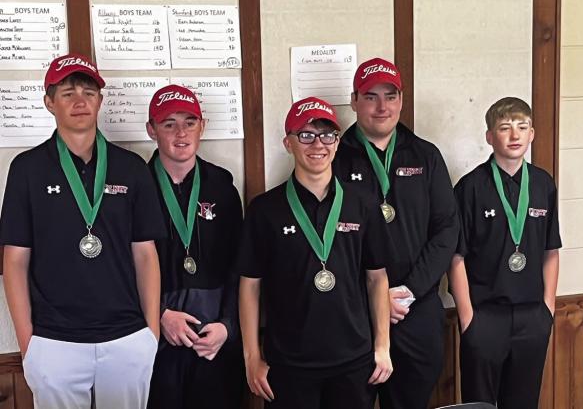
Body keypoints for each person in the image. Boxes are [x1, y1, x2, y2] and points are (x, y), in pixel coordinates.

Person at [0, 53, 166, 409]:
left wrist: (149, 334)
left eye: (89, 92)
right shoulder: (26, 169)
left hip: (127, 337)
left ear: (100, 101)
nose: (80, 101)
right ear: (49, 102)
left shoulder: (132, 168)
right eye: (67, 93)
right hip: (53, 341)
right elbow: (14, 261)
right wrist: (29, 343)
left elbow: (145, 254)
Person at [237, 96, 392, 409]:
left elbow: (377, 279)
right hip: (289, 365)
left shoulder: (363, 204)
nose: (317, 144)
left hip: (353, 361)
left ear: (336, 143)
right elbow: (249, 287)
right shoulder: (265, 210)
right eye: (305, 135)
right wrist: (252, 357)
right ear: (288, 143)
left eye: (327, 135)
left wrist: (383, 345)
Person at [332, 57, 460, 409]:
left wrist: (408, 291)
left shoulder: (427, 155)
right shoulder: (333, 159)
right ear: (354, 100)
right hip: (355, 313)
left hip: (416, 311)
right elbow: (328, 243)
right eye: (371, 96)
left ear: (401, 99)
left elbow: (447, 229)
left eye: (390, 95)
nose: (381, 106)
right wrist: (372, 297)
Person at [448, 97, 561, 409]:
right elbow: (456, 257)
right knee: (481, 404)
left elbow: (552, 250)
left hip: (532, 317)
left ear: (532, 134)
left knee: (524, 402)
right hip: (485, 316)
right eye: (505, 128)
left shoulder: (542, 183)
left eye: (522, 127)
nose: (514, 135)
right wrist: (468, 316)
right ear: (489, 137)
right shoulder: (469, 188)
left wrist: (547, 308)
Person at [145, 84, 244, 408]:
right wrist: (159, 315)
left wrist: (228, 327)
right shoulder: (136, 188)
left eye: (189, 122)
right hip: (157, 345)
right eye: (168, 123)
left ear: (202, 127)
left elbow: (239, 266)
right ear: (151, 130)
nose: (181, 133)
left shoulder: (222, 186)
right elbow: (121, 268)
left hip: (213, 342)